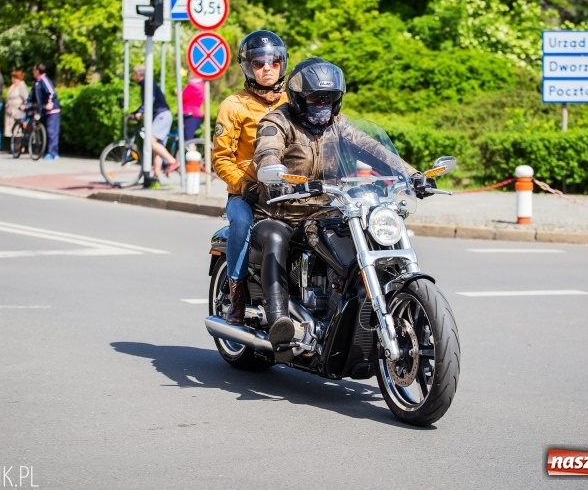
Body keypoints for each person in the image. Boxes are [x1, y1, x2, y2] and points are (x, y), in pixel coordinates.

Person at [251, 58, 435, 360]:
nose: (322, 104)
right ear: (297, 97)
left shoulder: (339, 126)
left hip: (327, 210)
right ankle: (279, 320)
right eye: (314, 98)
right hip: (282, 211)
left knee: (368, 233)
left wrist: (413, 176)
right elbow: (267, 151)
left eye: (329, 98)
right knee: (274, 238)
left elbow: (375, 150)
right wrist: (275, 174)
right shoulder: (277, 122)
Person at [211, 30, 288, 327]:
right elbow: (221, 158)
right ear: (248, 67)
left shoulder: (293, 100)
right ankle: (237, 294)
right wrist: (243, 185)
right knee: (241, 223)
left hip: (288, 190)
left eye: (273, 61)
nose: (267, 68)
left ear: (282, 62)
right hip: (246, 193)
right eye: (258, 62)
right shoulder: (234, 105)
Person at [130, 64, 179, 182]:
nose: (133, 77)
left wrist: (140, 112)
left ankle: (172, 161)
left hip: (161, 115)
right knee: (157, 146)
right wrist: (136, 112)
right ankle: (156, 176)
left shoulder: (147, 83)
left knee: (150, 141)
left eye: (134, 74)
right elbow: (146, 103)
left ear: (138, 74)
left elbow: (149, 100)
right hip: (161, 115)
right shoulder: (146, 83)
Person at [26, 63, 61, 160]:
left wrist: (50, 103)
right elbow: (31, 96)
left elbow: (52, 93)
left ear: (37, 70)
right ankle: (48, 152)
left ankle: (53, 153)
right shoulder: (37, 82)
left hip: (52, 110)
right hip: (43, 110)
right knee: (46, 130)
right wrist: (26, 103)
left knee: (51, 132)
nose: (33, 72)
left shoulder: (44, 80)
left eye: (34, 70)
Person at [4, 70, 28, 152]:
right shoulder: (13, 86)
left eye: (13, 77)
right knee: (12, 129)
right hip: (10, 111)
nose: (12, 79)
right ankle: (13, 146)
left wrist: (24, 106)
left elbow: (25, 97)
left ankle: (18, 147)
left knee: (18, 130)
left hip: (18, 110)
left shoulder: (21, 85)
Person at [181, 69, 204, 145]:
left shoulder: (193, 86)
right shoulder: (201, 84)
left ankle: (192, 155)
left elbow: (182, 97)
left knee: (189, 140)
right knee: (191, 139)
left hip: (190, 114)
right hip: (195, 114)